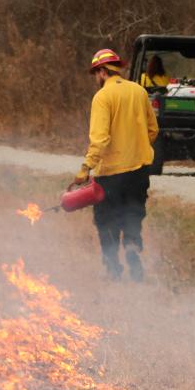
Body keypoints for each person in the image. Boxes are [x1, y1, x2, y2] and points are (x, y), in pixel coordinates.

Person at [70, 48, 158, 281]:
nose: (96, 79)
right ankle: (132, 250)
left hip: (110, 174)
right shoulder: (139, 91)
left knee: (106, 221)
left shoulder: (102, 97)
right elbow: (153, 130)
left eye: (96, 74)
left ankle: (113, 269)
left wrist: (84, 169)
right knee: (133, 215)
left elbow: (99, 139)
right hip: (139, 171)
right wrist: (136, 146)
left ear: (101, 71)